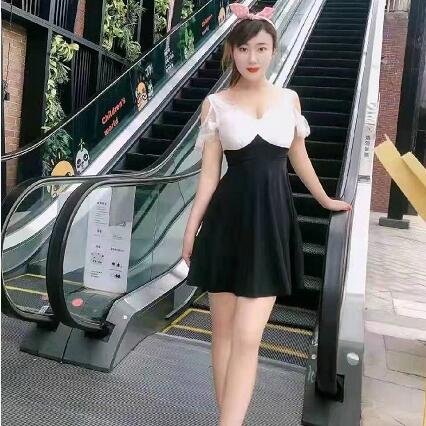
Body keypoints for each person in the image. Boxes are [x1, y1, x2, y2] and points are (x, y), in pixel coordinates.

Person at [182, 3, 352, 425]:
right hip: (225, 224)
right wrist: (190, 229)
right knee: (223, 335)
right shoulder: (215, 104)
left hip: (272, 222)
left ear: (274, 50)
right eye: (243, 49)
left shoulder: (288, 100)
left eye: (260, 48)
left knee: (246, 336)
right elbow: (208, 177)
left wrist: (324, 200)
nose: (252, 58)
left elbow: (299, 157)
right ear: (232, 52)